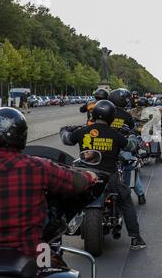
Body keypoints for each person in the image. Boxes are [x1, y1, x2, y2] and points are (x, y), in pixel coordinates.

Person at [0, 108, 98, 261]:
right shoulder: (39, 167)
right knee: (61, 271)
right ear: (22, 135)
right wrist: (89, 175)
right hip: (32, 254)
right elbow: (75, 182)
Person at [61, 100, 146, 249]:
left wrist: (65, 129)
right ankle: (135, 238)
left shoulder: (82, 131)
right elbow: (131, 146)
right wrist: (132, 134)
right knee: (125, 199)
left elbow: (66, 139)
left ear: (93, 114)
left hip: (85, 175)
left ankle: (59, 231)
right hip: (109, 176)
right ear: (111, 117)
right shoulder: (115, 134)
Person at [109, 89, 149, 204]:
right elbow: (133, 130)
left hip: (106, 147)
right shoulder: (126, 115)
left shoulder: (105, 112)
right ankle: (140, 195)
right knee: (130, 167)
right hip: (122, 146)